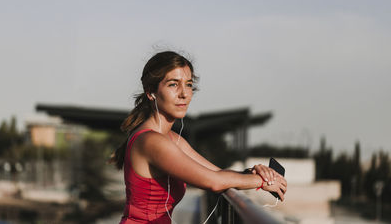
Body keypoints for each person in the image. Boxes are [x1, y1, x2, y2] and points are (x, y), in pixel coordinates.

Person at [110, 51, 287, 224]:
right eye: (173, 84)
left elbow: (216, 173)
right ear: (151, 92)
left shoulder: (172, 139)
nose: (184, 93)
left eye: (188, 84)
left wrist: (252, 172)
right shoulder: (152, 141)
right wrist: (261, 181)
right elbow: (213, 182)